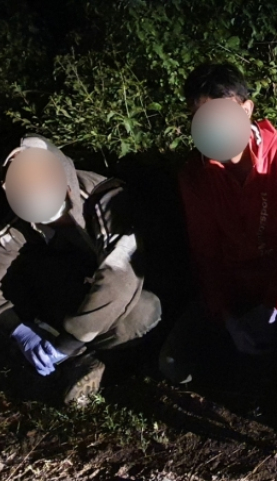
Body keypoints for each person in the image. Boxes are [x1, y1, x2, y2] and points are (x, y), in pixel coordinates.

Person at [159, 62, 277, 385]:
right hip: (234, 293)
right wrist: (227, 316)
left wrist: (274, 306)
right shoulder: (195, 176)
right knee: (173, 363)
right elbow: (206, 255)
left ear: (246, 109)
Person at [0, 134, 162, 406]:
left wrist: (68, 343)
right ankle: (77, 359)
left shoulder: (106, 198)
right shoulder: (20, 219)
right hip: (70, 288)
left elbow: (120, 277)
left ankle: (91, 361)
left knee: (143, 313)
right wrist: (16, 327)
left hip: (123, 288)